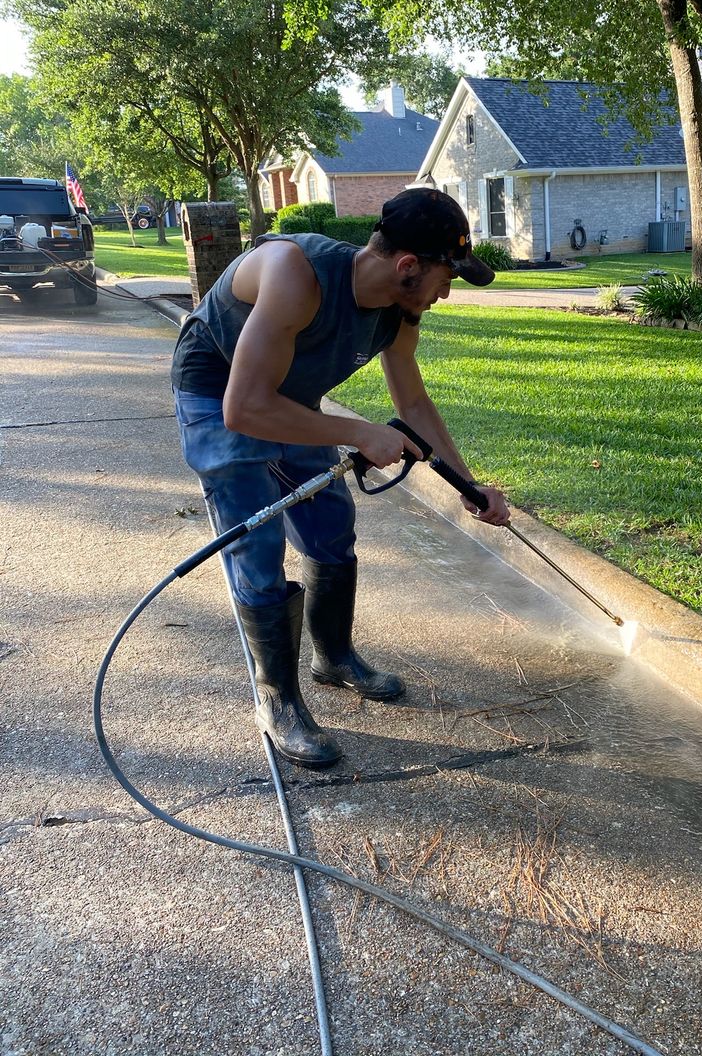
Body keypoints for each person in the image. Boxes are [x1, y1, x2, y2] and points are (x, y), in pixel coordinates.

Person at [172, 188, 510, 769]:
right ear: (408, 266)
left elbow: (413, 401)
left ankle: (333, 657)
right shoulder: (294, 273)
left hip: (288, 396)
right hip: (218, 391)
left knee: (330, 523)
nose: (448, 290)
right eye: (446, 275)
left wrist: (469, 484)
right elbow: (245, 408)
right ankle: (277, 700)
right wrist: (357, 434)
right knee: (257, 541)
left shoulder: (399, 313)